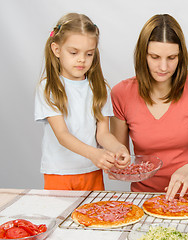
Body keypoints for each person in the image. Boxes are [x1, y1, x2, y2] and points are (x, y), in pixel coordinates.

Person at [110, 14, 188, 200]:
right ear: (143, 55)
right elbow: (121, 157)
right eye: (155, 57)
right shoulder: (121, 93)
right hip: (144, 200)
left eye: (172, 57)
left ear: (181, 56)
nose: (163, 67)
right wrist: (116, 164)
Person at [34, 13, 130, 191]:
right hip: (59, 172)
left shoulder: (99, 88)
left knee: (93, 216)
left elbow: (102, 134)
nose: (81, 59)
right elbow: (62, 135)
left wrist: (118, 148)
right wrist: (94, 154)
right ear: (56, 50)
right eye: (74, 52)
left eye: (89, 54)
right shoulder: (49, 88)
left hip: (92, 172)